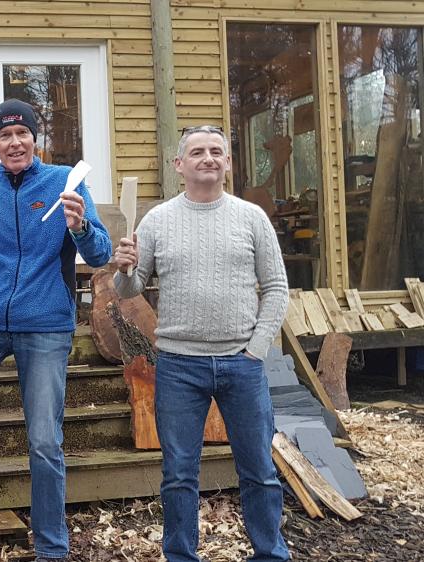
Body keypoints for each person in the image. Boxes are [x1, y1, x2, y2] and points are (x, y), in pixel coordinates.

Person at [113, 125, 290, 562]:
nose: (207, 158)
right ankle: (181, 556)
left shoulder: (252, 218)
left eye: (216, 152)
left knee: (260, 472)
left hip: (241, 365)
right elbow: (129, 289)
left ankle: (270, 554)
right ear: (180, 165)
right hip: (178, 366)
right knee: (178, 475)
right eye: (197, 152)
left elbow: (277, 288)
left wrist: (255, 350)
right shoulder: (157, 220)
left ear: (228, 163)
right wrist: (123, 267)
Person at [0, 99, 113, 562]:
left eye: (22, 134)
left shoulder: (64, 182)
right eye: (4, 136)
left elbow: (103, 252)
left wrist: (81, 225)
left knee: (45, 440)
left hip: (46, 324)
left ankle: (52, 546)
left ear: (35, 139)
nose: (14, 143)